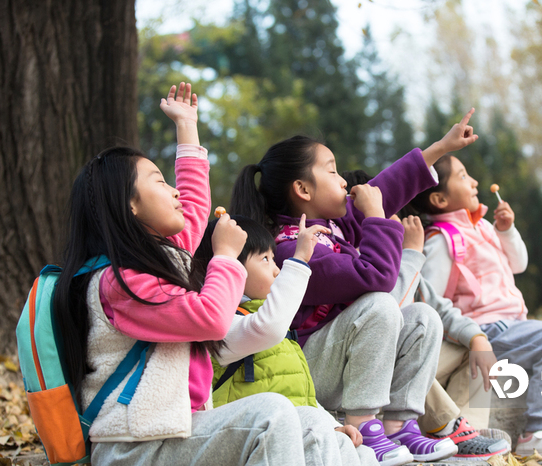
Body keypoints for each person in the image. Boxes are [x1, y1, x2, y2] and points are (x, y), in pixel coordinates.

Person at [52, 82, 333, 466]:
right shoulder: (119, 283)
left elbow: (195, 204)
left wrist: (187, 126)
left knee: (313, 423)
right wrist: (226, 258)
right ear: (129, 205)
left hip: (175, 433)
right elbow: (212, 319)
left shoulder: (159, 260)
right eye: (159, 182)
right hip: (134, 446)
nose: (174, 191)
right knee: (270, 415)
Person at [229, 109, 479, 465]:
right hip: (312, 370)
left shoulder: (335, 227)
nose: (343, 179)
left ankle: (398, 424)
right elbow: (376, 275)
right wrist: (377, 217)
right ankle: (364, 425)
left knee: (423, 318)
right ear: (302, 189)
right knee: (379, 303)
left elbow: (387, 187)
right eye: (331, 170)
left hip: (339, 361)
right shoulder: (293, 246)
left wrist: (440, 148)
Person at [405, 154, 542, 460]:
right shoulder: (441, 239)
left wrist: (506, 231)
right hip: (486, 328)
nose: (474, 181)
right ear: (439, 198)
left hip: (513, 325)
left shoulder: (485, 228)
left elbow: (519, 264)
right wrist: (468, 335)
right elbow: (430, 298)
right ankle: (537, 432)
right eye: (463, 177)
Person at [341, 170, 509, 461]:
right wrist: (411, 254)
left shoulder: (395, 253)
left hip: (393, 371)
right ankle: (449, 427)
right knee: (408, 348)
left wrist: (478, 338)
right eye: (384, 211)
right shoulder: (354, 256)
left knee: (468, 350)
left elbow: (439, 306)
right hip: (363, 377)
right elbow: (387, 308)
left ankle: (466, 433)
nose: (395, 221)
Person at [194, 214, 380, 466]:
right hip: (257, 444)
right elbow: (268, 325)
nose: (276, 268)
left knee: (361, 453)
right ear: (230, 267)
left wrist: (332, 426)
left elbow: (304, 397)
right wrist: (300, 260)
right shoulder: (221, 326)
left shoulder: (277, 329)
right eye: (265, 259)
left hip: (297, 434)